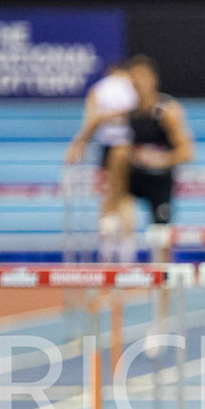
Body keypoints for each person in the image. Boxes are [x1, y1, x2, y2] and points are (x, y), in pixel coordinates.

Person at [64, 60, 139, 260]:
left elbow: (91, 121)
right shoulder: (133, 86)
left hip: (110, 147)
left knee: (109, 196)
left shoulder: (98, 90)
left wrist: (79, 144)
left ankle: (107, 249)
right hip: (128, 147)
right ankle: (126, 249)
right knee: (125, 197)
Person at [120, 56, 193, 235]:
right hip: (134, 177)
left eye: (142, 76)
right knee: (118, 159)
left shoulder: (166, 111)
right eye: (133, 77)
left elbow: (187, 153)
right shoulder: (127, 111)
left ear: (153, 79)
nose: (138, 82)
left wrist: (161, 160)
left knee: (160, 236)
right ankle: (123, 246)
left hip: (160, 179)